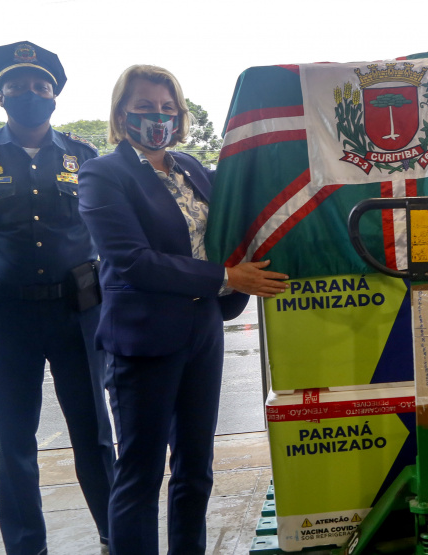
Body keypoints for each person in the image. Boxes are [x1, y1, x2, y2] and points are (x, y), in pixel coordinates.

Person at [77, 64, 289, 555]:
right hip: (145, 338)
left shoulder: (190, 167)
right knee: (140, 473)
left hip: (203, 332)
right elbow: (131, 261)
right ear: (121, 112)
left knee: (196, 467)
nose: (158, 117)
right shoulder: (102, 174)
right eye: (146, 107)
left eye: (167, 108)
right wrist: (226, 278)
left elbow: (233, 215)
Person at [0, 41, 115, 555]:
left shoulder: (85, 156)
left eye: (40, 86)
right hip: (4, 316)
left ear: (55, 95)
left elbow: (105, 232)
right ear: (0, 94)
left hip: (79, 312)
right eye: (18, 85)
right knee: (14, 440)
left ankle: (115, 535)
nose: (30, 93)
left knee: (95, 432)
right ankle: (27, 547)